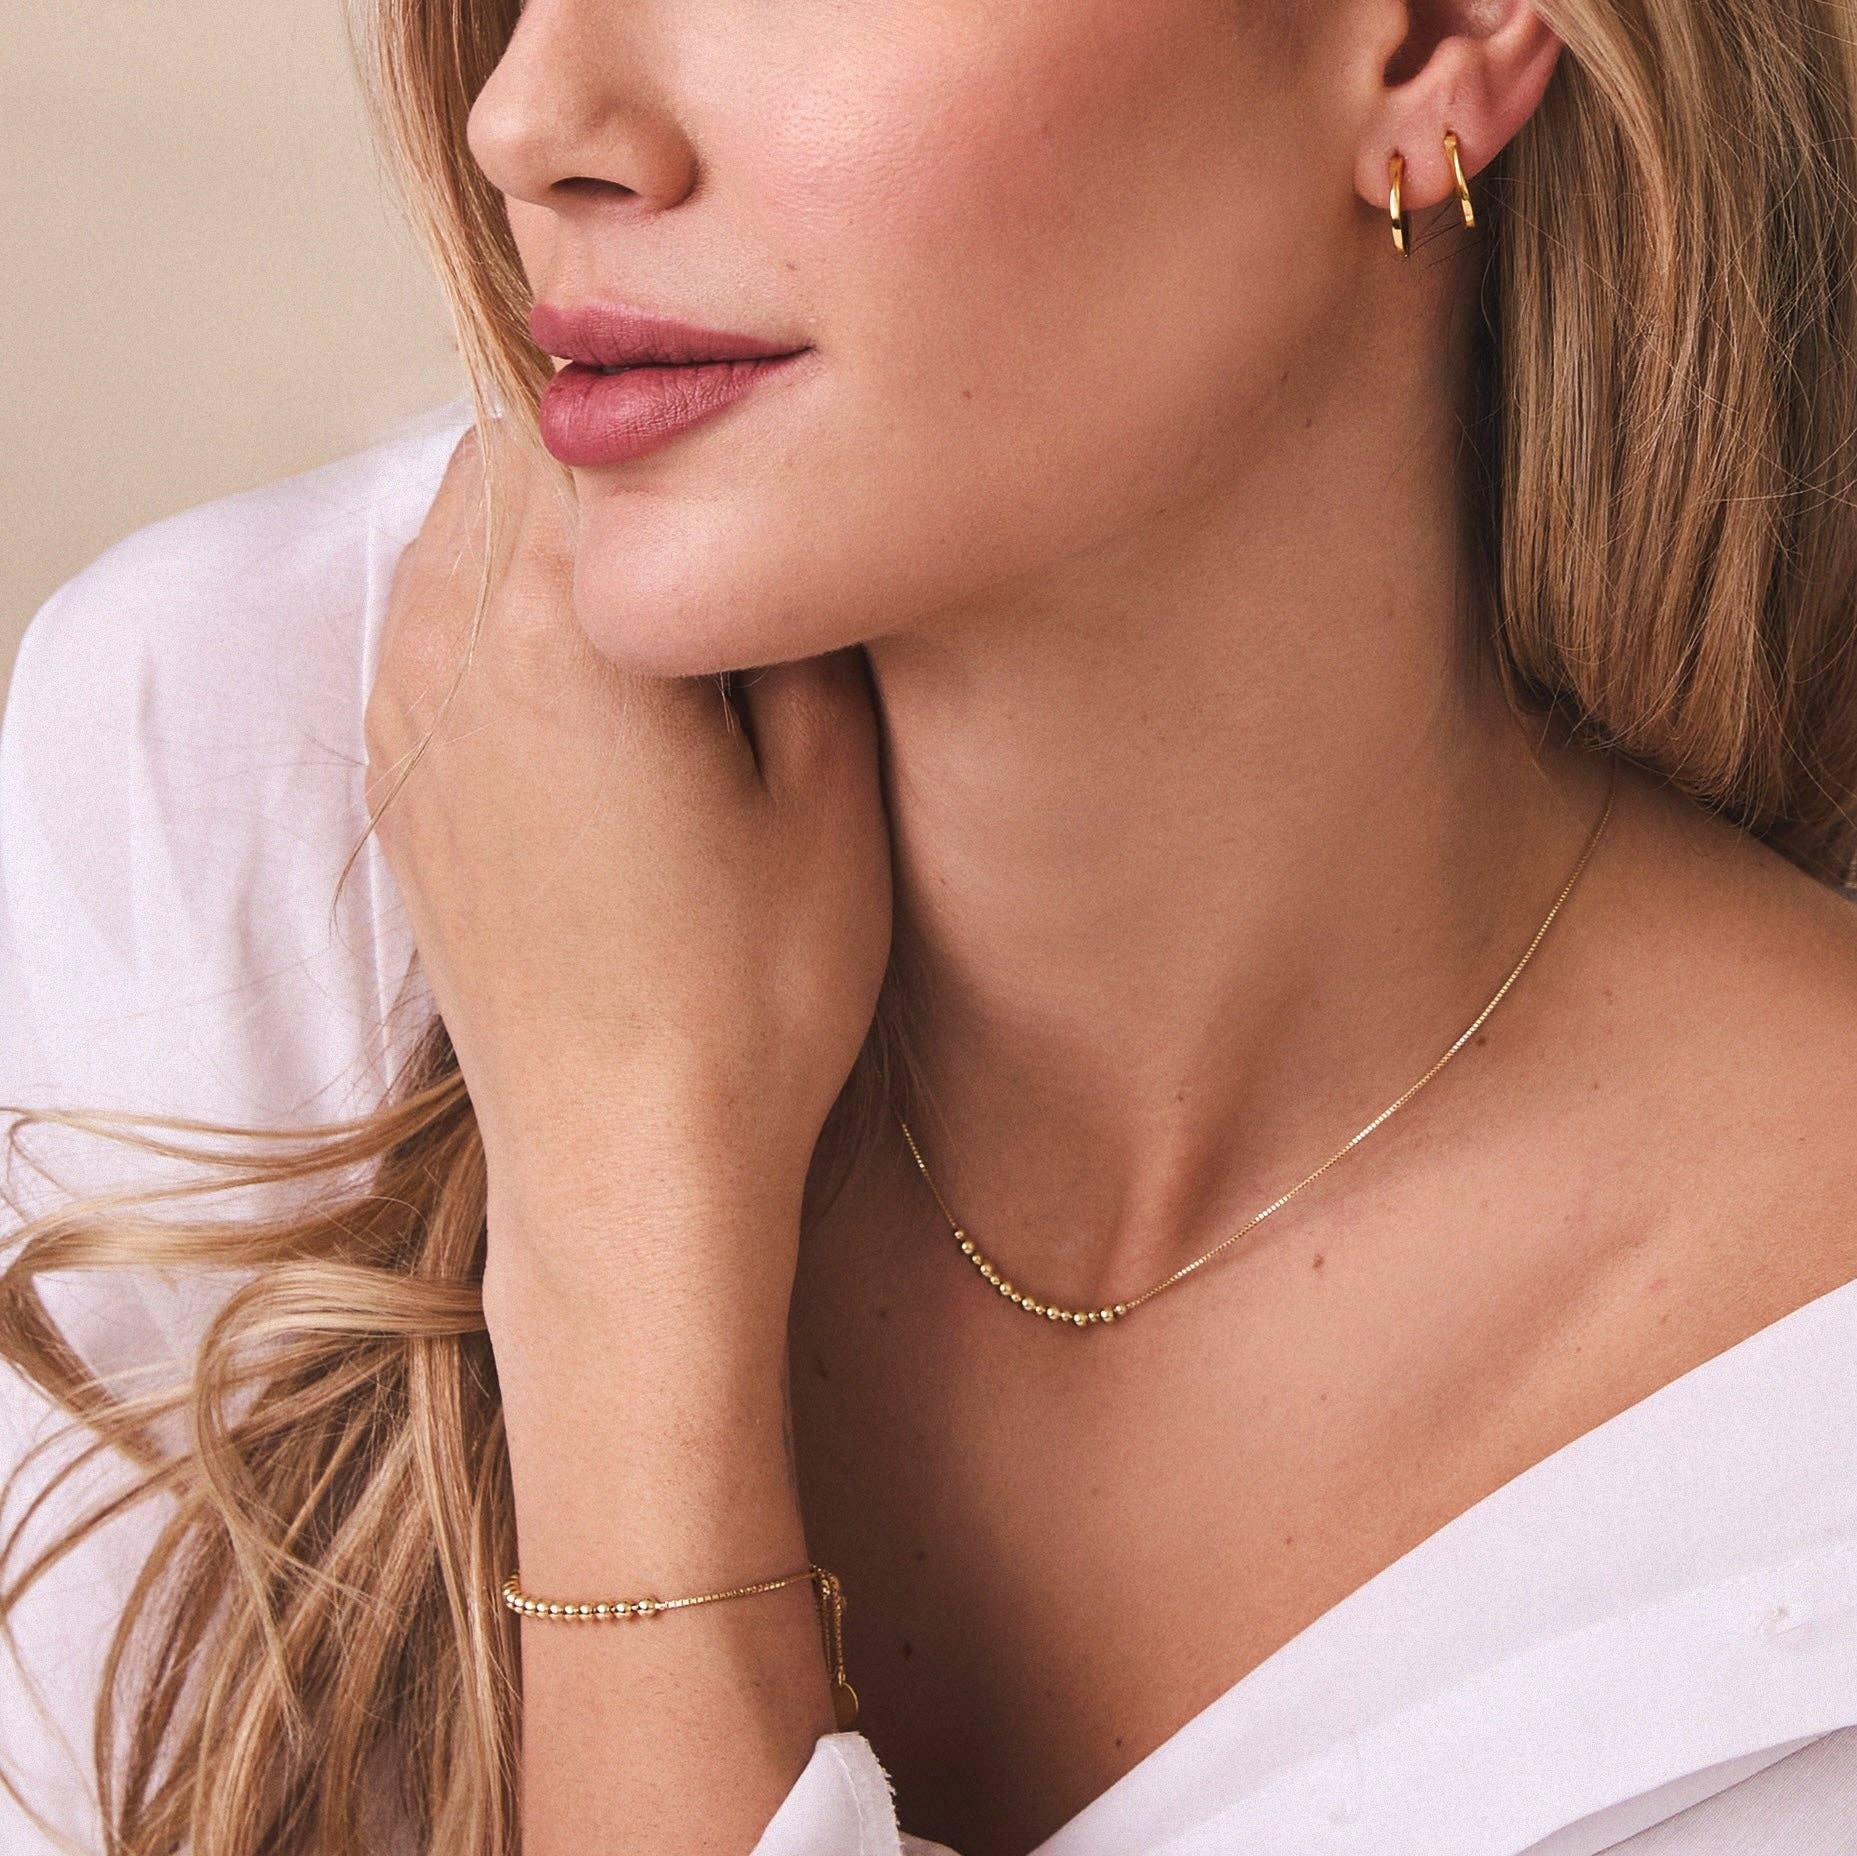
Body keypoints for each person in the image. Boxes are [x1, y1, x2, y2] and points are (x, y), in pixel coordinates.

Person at [5, 0, 1857, 1852]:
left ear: (1425, 44)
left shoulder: (1796, 1471)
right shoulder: (248, 794)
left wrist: (623, 1237)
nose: (527, 117)